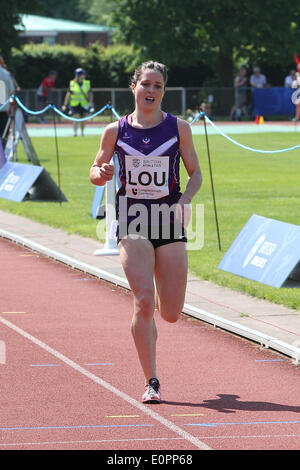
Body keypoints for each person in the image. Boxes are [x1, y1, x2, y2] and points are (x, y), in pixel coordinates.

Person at [89, 61, 202, 403]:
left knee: (170, 313)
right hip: (132, 220)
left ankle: (155, 308)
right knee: (142, 301)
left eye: (158, 86)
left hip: (169, 219)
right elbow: (95, 169)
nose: (151, 91)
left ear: (163, 91)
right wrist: (102, 172)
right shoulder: (115, 130)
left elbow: (195, 173)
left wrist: (185, 200)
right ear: (134, 87)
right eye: (146, 84)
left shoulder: (178, 128)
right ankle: (151, 380)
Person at [62, 68, 93, 137]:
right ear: (78, 75)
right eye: (82, 74)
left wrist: (91, 102)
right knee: (76, 118)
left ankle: (82, 133)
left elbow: (90, 93)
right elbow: (68, 94)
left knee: (83, 119)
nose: (84, 76)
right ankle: (75, 133)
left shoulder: (87, 83)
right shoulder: (72, 83)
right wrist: (65, 105)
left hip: (84, 104)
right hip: (74, 104)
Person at [0, 59, 14, 147]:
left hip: (3, 108)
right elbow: (11, 92)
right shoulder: (6, 74)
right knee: (3, 135)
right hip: (4, 109)